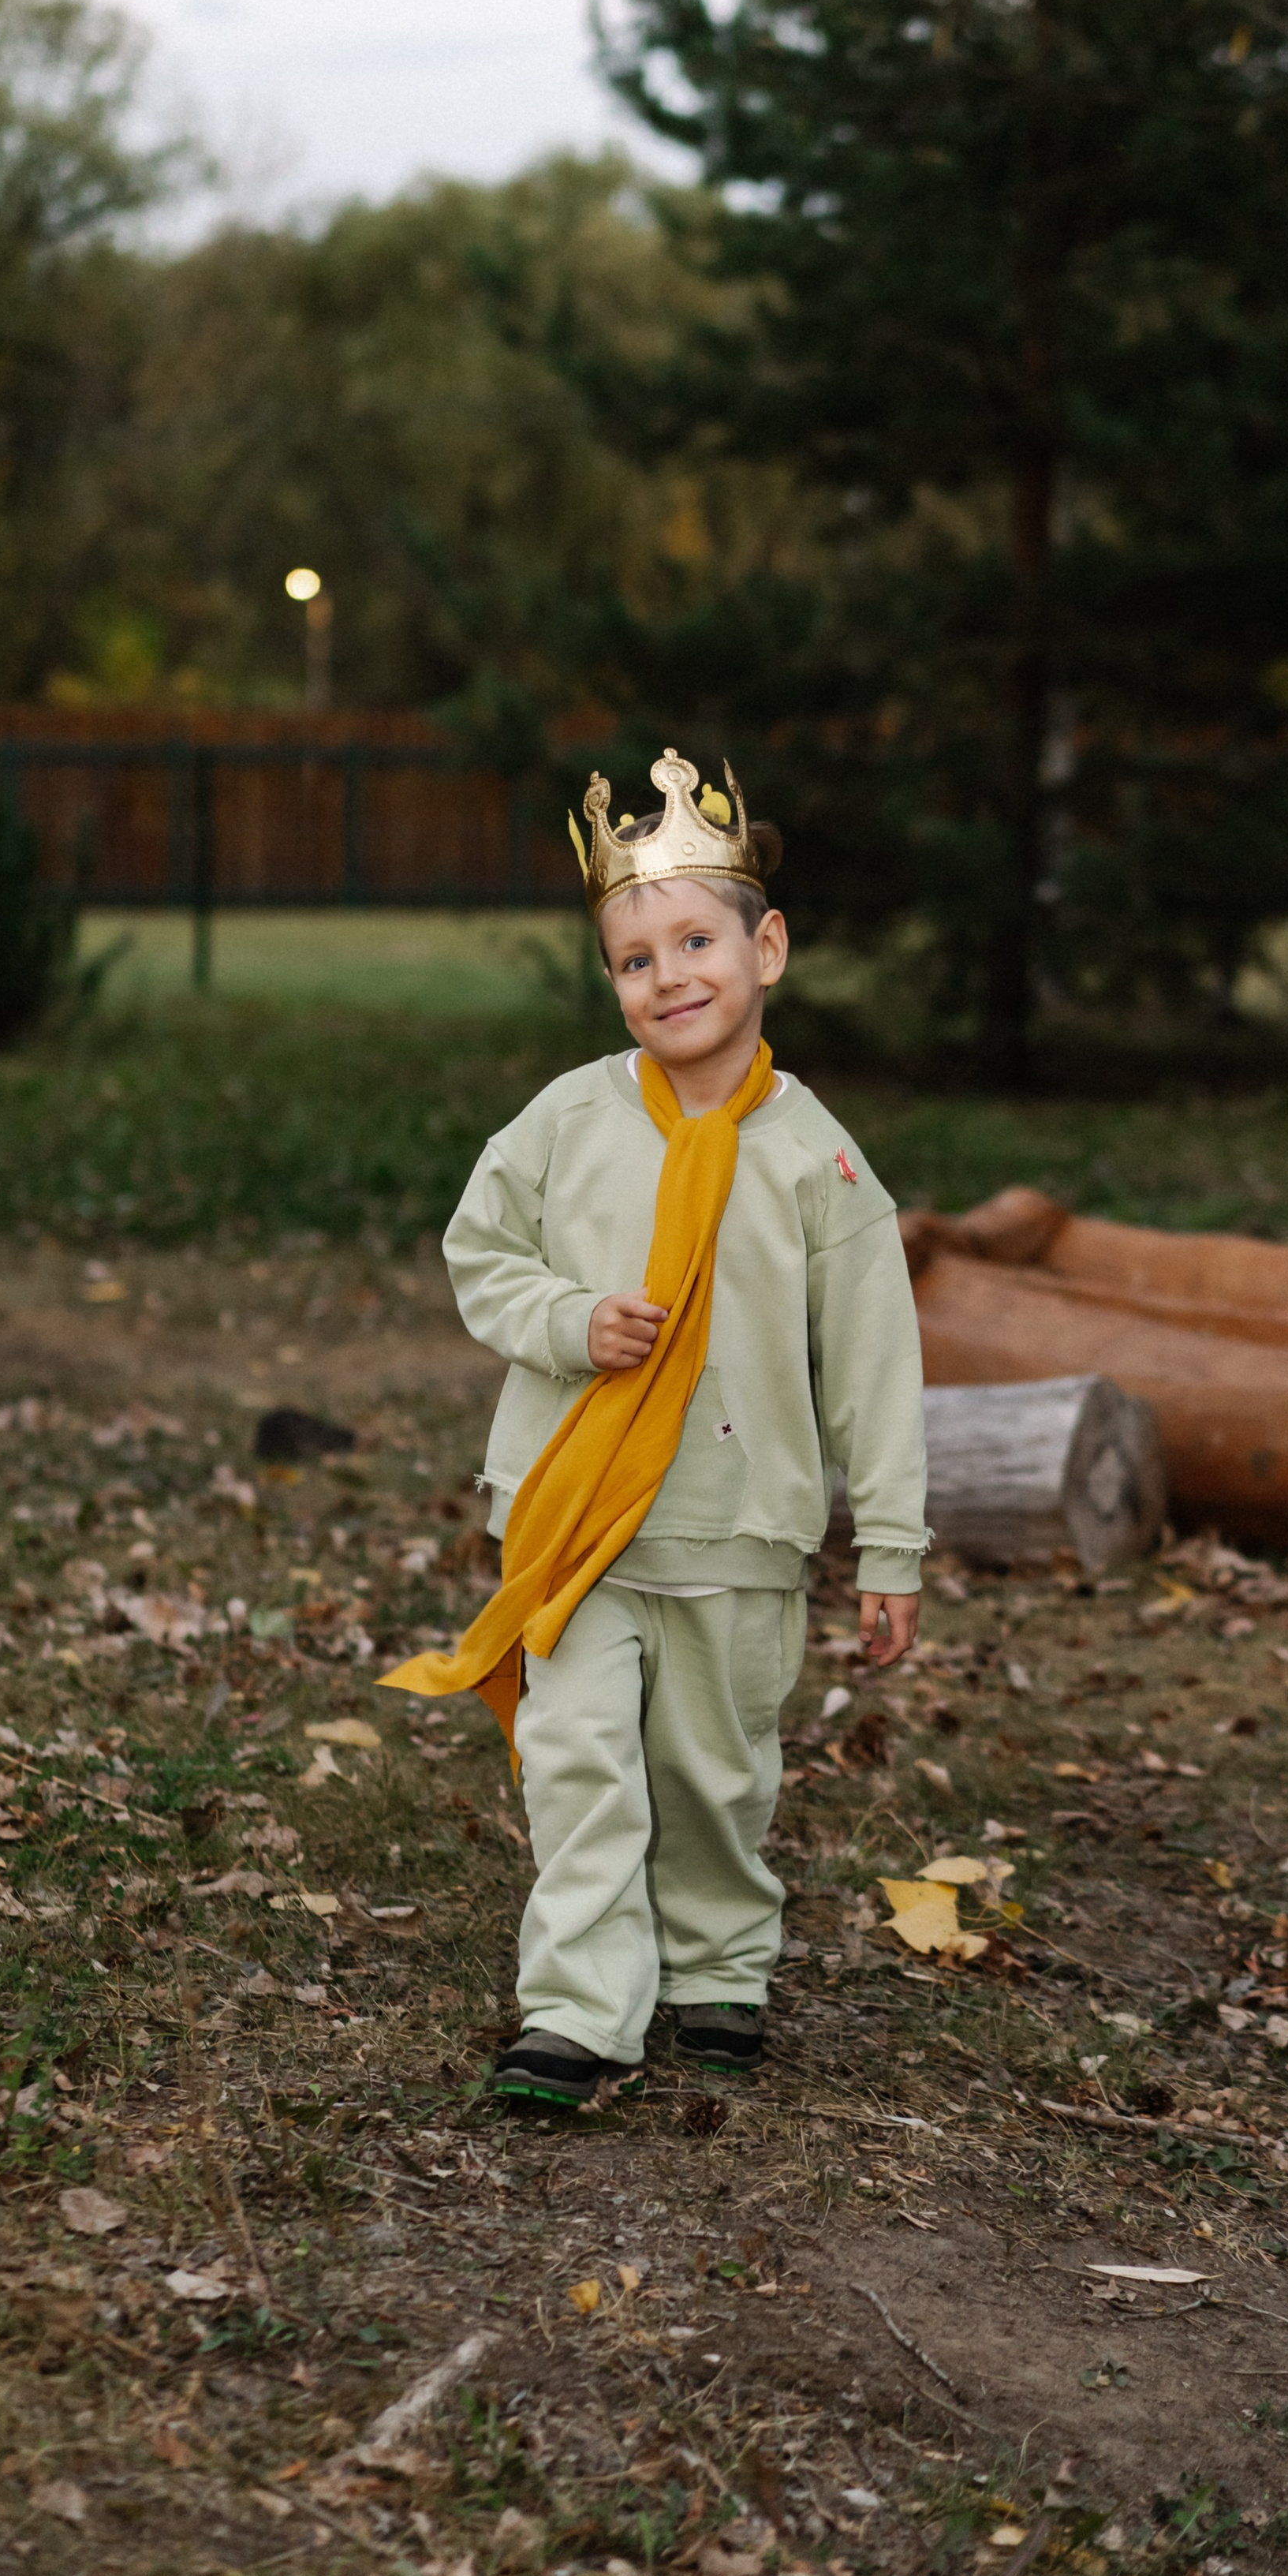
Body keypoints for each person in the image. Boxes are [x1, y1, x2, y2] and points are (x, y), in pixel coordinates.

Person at [381, 747, 928, 2111]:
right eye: (636, 958)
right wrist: (569, 1323)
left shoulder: (818, 1157)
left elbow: (876, 1358)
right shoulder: (569, 1119)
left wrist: (894, 1546)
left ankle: (719, 1961)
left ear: (768, 948)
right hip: (578, 1517)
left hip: (740, 1523)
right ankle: (578, 2007)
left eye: (697, 942)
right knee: (578, 1767)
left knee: (714, 1771)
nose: (669, 977)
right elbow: (479, 1248)